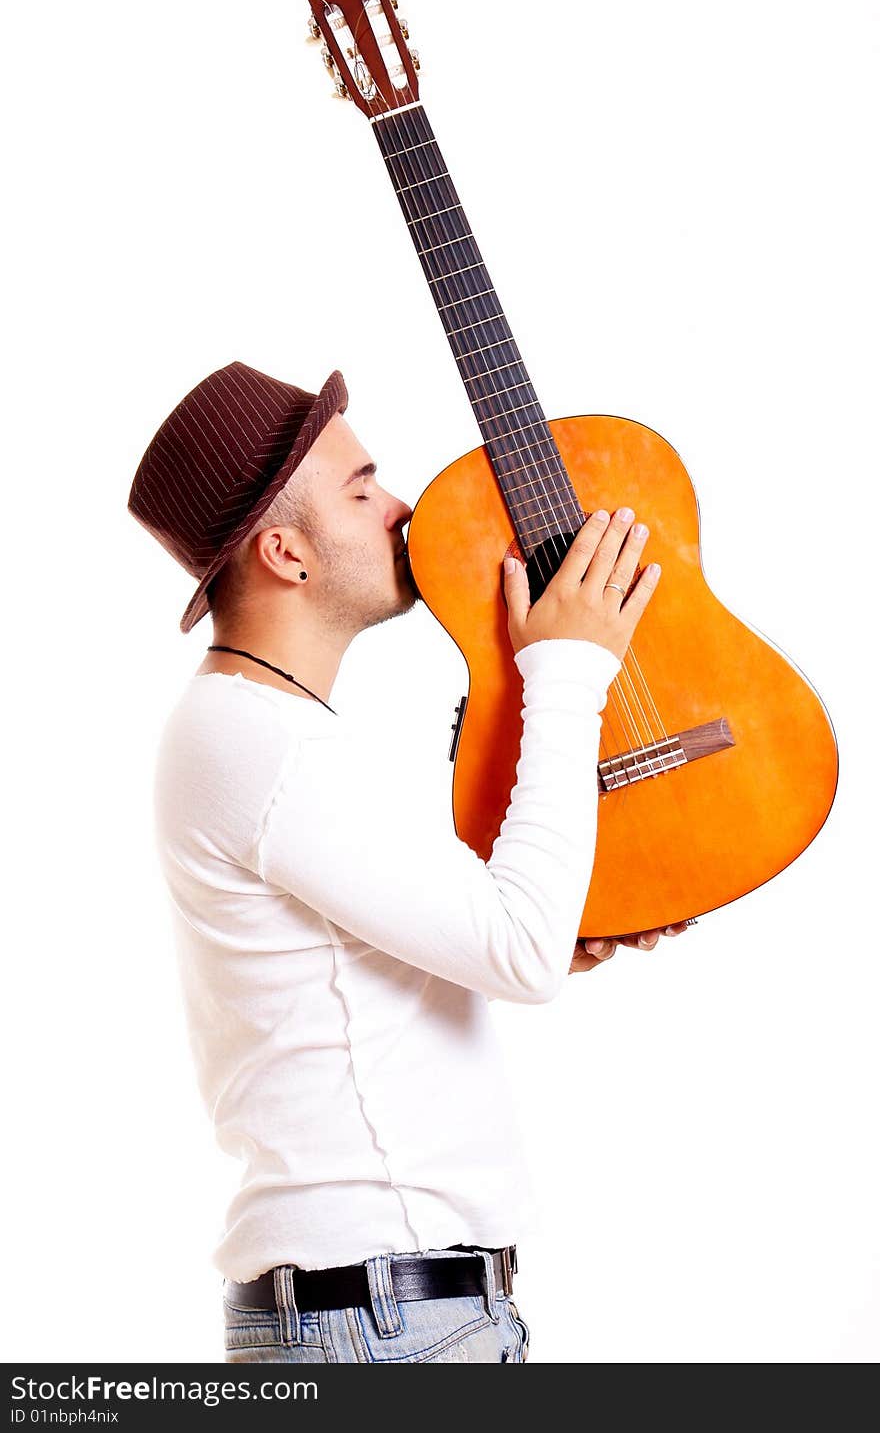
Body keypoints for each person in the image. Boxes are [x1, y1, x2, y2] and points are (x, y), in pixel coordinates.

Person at [127, 358, 687, 1365]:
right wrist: (566, 665)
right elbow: (512, 953)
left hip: (384, 1317)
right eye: (363, 486)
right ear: (287, 551)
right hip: (383, 1324)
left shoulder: (258, 730)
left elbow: (453, 952)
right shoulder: (262, 742)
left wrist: (556, 932)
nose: (403, 508)